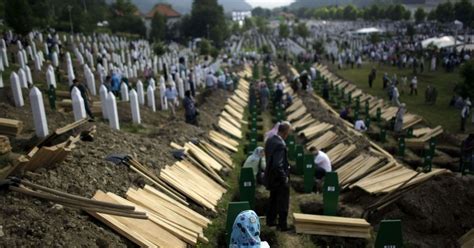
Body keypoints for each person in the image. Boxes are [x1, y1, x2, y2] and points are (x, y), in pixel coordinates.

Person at [264, 122, 291, 231]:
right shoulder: (280, 144)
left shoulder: (270, 140)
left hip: (271, 177)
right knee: (283, 202)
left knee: (273, 200)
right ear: (285, 132)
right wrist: (284, 178)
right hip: (278, 178)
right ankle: (282, 225)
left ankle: (270, 221)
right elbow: (277, 164)